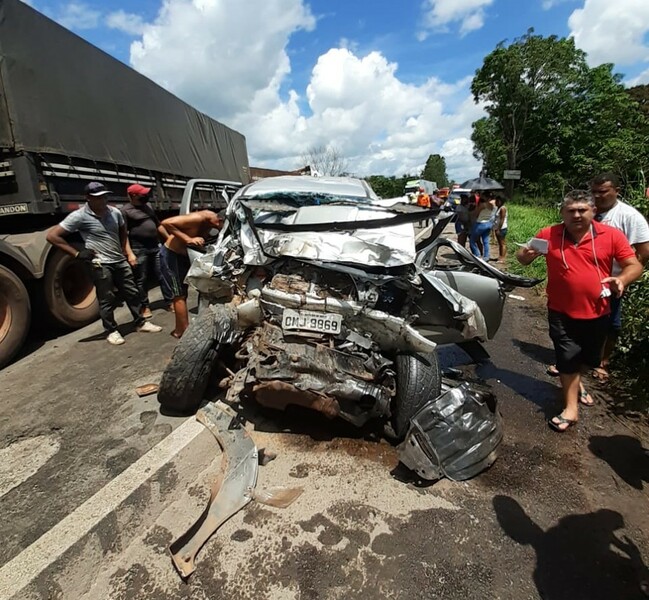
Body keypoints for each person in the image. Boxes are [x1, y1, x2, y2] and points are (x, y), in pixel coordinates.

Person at [516, 190, 642, 432]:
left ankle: (576, 382)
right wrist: (526, 254)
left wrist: (623, 280)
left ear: (593, 211)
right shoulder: (549, 234)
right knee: (567, 356)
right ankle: (571, 409)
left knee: (588, 359)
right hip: (560, 311)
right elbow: (522, 259)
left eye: (582, 210)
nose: (576, 215)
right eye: (570, 210)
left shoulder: (611, 235)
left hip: (598, 311)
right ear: (562, 213)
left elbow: (633, 264)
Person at [46, 182, 163, 345]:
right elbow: (52, 236)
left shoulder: (115, 212)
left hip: (119, 260)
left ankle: (141, 322)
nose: (102, 200)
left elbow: (123, 232)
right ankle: (111, 330)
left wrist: (127, 252)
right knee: (106, 298)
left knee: (132, 292)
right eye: (98, 198)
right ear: (88, 198)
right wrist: (77, 253)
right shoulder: (79, 216)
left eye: (104, 196)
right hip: (100, 263)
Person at [589, 172, 649, 380]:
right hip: (586, 278)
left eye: (603, 192)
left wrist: (625, 277)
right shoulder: (587, 212)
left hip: (612, 281)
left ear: (617, 191)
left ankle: (602, 362)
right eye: (594, 192)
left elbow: (643, 251)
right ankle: (571, 361)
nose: (597, 196)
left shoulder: (629, 217)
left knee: (610, 324)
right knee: (576, 320)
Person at [160, 210, 224, 338]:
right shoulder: (198, 218)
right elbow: (165, 223)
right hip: (173, 256)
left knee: (198, 287)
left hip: (186, 255)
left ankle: (183, 327)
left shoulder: (209, 223)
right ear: (219, 221)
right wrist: (188, 239)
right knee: (179, 294)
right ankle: (182, 331)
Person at [121, 183, 173, 318]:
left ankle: (169, 301)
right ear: (133, 196)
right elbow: (124, 234)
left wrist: (168, 238)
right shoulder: (125, 211)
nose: (146, 196)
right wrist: (129, 253)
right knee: (141, 279)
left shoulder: (148, 207)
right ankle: (144, 307)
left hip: (155, 246)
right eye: (143, 194)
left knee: (163, 273)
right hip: (138, 248)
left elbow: (158, 225)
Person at [469, 192, 496, 260]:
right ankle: (486, 256)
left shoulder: (483, 205)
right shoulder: (493, 204)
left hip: (480, 223)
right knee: (486, 241)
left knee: (472, 240)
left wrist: (476, 207)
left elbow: (476, 214)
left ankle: (477, 255)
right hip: (488, 223)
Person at [493, 195, 508, 263]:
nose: (495, 202)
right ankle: (500, 256)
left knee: (502, 243)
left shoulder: (502, 208)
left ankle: (502, 258)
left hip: (502, 228)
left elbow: (502, 219)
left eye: (497, 201)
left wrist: (499, 229)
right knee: (500, 243)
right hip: (498, 228)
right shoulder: (498, 208)